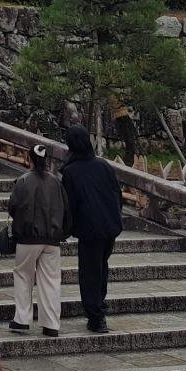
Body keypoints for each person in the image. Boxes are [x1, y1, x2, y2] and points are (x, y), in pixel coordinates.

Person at [60, 124, 123, 332]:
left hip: (89, 229)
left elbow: (70, 205)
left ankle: (96, 316)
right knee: (101, 268)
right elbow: (117, 195)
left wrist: (66, 229)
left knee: (90, 272)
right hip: (110, 226)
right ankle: (99, 306)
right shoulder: (103, 166)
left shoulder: (70, 171)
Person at [8, 143, 69, 338]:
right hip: (52, 238)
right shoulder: (56, 182)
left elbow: (13, 206)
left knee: (23, 275)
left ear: (30, 159)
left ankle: (22, 318)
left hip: (27, 237)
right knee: (50, 280)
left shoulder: (23, 181)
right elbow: (66, 209)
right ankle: (51, 323)